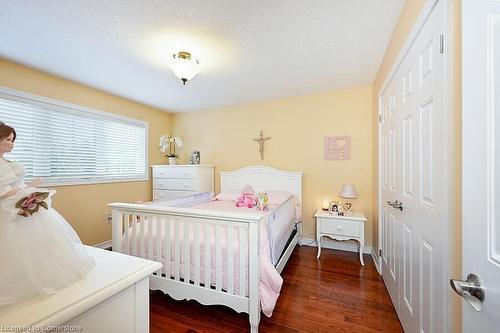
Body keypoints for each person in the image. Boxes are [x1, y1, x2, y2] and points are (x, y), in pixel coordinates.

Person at [0, 122, 95, 307]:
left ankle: (40, 271)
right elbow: (3, 191)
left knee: (37, 241)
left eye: (13, 140)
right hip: (8, 208)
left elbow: (16, 185)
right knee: (14, 245)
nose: (12, 144)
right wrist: (28, 188)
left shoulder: (8, 162)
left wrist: (28, 187)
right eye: (8, 140)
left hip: (19, 200)